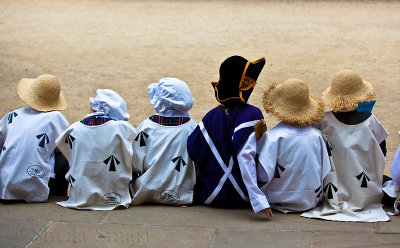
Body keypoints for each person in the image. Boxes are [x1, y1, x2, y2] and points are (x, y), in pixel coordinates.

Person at [187, 55, 272, 217]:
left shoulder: (211, 116)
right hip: (240, 196)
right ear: (246, 86)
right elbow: (245, 156)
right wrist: (258, 198)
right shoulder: (251, 114)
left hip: (210, 194)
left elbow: (194, 147)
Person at [301, 70, 390, 222]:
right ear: (361, 96)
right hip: (365, 188)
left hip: (332, 186)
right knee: (388, 182)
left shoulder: (324, 121)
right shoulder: (371, 121)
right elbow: (382, 151)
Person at [257, 79, 330, 213]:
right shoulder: (317, 136)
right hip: (310, 200)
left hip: (276, 199)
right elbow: (325, 170)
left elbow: (263, 175)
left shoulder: (272, 137)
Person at [56, 89, 135, 210]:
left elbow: (66, 154)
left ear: (93, 107)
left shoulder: (73, 129)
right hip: (117, 199)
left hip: (79, 198)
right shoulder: (124, 128)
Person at [0, 74, 69, 202]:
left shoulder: (12, 116)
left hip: (4, 184)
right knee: (65, 153)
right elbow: (64, 148)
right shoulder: (56, 118)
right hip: (36, 189)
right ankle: (58, 194)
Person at [130, 77, 197, 205]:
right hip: (182, 194)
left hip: (144, 192)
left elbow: (135, 163)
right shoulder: (192, 128)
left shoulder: (146, 127)